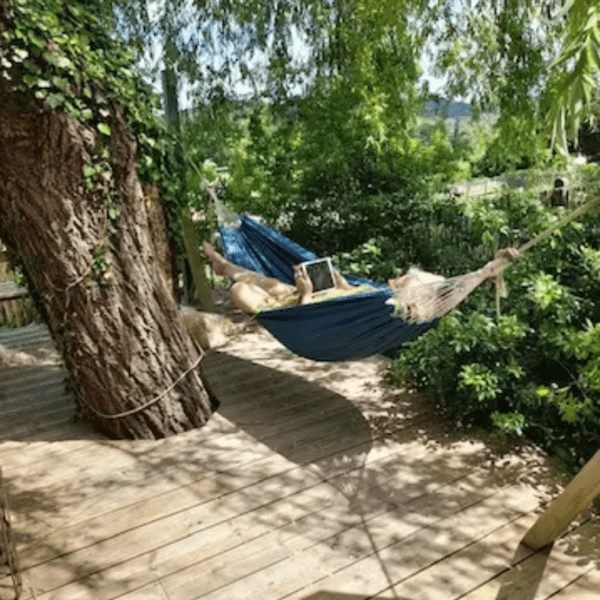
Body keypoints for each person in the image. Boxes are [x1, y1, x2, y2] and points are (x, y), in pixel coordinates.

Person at [202, 242, 358, 314]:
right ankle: (223, 265)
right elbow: (353, 291)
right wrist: (342, 285)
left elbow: (307, 323)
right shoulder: (372, 292)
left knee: (239, 289)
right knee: (273, 284)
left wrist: (306, 294)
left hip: (291, 309)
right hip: (304, 296)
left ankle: (223, 265)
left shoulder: (372, 305)